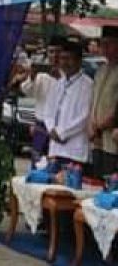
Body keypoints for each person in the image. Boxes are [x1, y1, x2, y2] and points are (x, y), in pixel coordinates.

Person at [45, 38, 93, 168]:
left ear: (79, 61)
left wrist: (62, 133)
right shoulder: (58, 83)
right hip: (55, 148)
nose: (65, 63)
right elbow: (48, 111)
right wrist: (51, 130)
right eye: (62, 58)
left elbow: (84, 116)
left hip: (75, 150)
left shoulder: (87, 85)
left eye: (69, 59)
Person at [13, 39, 61, 163]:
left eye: (58, 52)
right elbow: (26, 92)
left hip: (58, 127)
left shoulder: (66, 76)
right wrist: (32, 77)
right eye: (51, 52)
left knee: (53, 164)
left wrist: (59, 78)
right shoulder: (41, 76)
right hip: (40, 125)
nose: (54, 56)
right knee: (37, 162)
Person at [88, 26, 118, 175]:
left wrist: (100, 126)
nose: (105, 48)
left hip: (112, 139)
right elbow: (93, 101)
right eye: (102, 44)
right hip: (96, 139)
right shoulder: (101, 70)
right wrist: (91, 125)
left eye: (109, 44)